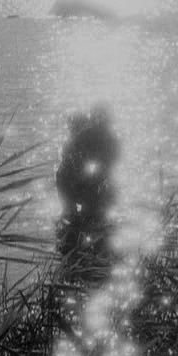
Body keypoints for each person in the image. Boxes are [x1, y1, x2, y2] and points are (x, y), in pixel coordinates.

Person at [56, 104, 119, 263]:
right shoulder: (84, 138)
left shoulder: (96, 139)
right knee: (83, 215)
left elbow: (108, 165)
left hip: (83, 185)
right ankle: (84, 244)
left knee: (83, 215)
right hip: (79, 184)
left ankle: (79, 246)